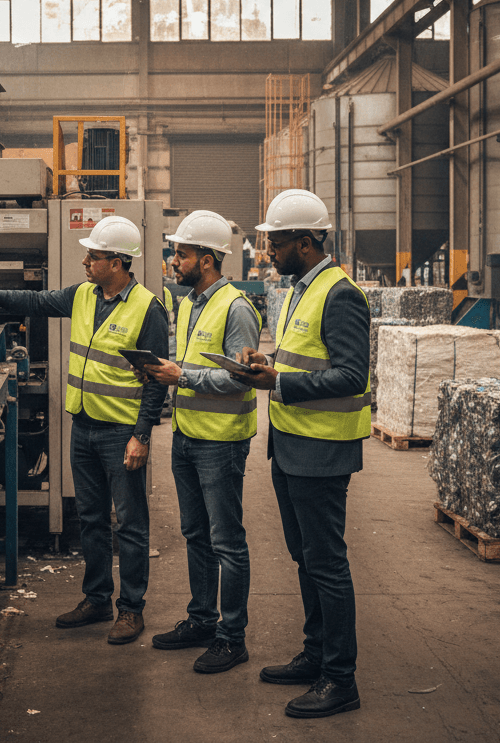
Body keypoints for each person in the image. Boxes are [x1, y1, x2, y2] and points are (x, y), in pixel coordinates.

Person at [0, 215, 169, 645]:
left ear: (120, 263)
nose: (86, 261)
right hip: (83, 428)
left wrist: (142, 435)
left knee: (129, 524)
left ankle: (131, 609)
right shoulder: (84, 296)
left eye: (96, 256)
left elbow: (157, 380)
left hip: (119, 432)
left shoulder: (148, 309)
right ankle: (97, 599)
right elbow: (37, 301)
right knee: (89, 519)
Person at [232, 189, 370, 719]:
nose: (268, 251)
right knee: (305, 557)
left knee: (327, 564)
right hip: (290, 445)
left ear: (307, 242)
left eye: (277, 241)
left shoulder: (340, 294)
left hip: (323, 449)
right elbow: (302, 359)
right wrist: (261, 363)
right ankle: (316, 655)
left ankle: (341, 678)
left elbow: (351, 375)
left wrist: (278, 381)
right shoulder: (295, 290)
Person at [141, 210, 260, 673]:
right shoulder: (187, 302)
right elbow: (187, 364)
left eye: (182, 253)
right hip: (187, 436)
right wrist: (161, 371)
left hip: (221, 443)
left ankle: (232, 637)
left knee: (227, 541)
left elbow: (242, 379)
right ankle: (202, 619)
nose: (174, 260)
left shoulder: (236, 308)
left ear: (207, 260)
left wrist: (182, 376)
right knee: (196, 535)